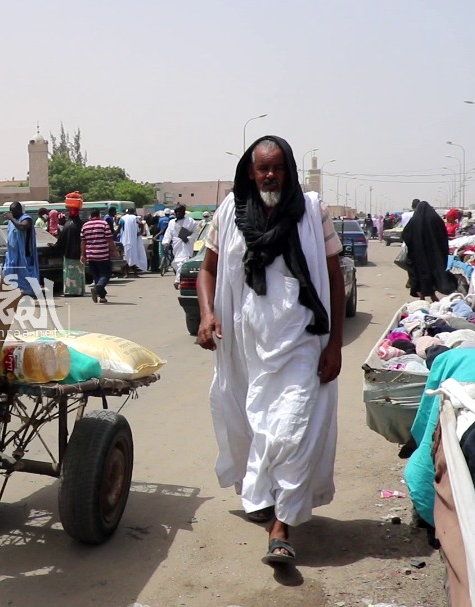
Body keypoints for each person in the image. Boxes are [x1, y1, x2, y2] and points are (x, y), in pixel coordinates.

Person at [197, 135, 344, 567]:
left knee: (292, 427)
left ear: (290, 170)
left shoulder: (313, 211)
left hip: (301, 336)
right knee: (255, 424)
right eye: (262, 169)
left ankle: (281, 527)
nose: (270, 176)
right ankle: (263, 496)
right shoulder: (228, 213)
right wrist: (207, 315)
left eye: (277, 168)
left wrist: (334, 341)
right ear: (250, 171)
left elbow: (334, 276)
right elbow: (207, 269)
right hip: (246, 341)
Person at [401, 200, 457, 301]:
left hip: (418, 254)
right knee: (433, 273)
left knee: (418, 274)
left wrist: (414, 244)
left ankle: (422, 296)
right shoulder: (436, 219)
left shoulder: (415, 220)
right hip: (434, 254)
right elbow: (443, 236)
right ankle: (432, 295)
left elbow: (405, 235)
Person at [80, 208, 118, 303]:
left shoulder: (85, 225)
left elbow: (83, 242)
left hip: (90, 255)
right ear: (99, 215)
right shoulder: (104, 224)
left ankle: (102, 297)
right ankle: (98, 288)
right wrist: (114, 251)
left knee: (97, 276)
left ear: (90, 216)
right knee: (106, 274)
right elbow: (109, 239)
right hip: (103, 255)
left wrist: (82, 255)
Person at [4, 201, 40, 298]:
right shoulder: (12, 222)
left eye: (14, 211)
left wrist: (11, 218)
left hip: (25, 253)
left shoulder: (26, 219)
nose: (12, 213)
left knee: (26, 274)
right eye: (11, 211)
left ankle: (30, 292)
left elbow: (22, 227)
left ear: (19, 210)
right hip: (13, 254)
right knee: (9, 272)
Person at [54, 194, 85, 296]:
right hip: (79, 254)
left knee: (70, 274)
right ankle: (79, 290)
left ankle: (71, 291)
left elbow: (61, 241)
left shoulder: (67, 225)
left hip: (69, 254)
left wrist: (55, 247)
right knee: (79, 273)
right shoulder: (81, 224)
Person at [161, 204, 198, 277]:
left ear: (184, 212)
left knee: (183, 261)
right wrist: (166, 243)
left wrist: (188, 238)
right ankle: (181, 277)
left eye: (179, 212)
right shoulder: (172, 222)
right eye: (176, 212)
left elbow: (196, 233)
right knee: (176, 262)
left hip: (187, 245)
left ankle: (178, 280)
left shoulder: (191, 221)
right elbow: (168, 233)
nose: (177, 213)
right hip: (176, 246)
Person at [118, 208, 148, 275]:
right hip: (133, 241)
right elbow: (141, 224)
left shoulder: (122, 218)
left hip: (124, 240)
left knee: (125, 257)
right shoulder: (135, 218)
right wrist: (140, 233)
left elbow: (119, 228)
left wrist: (113, 235)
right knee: (133, 257)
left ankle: (126, 274)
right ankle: (134, 273)